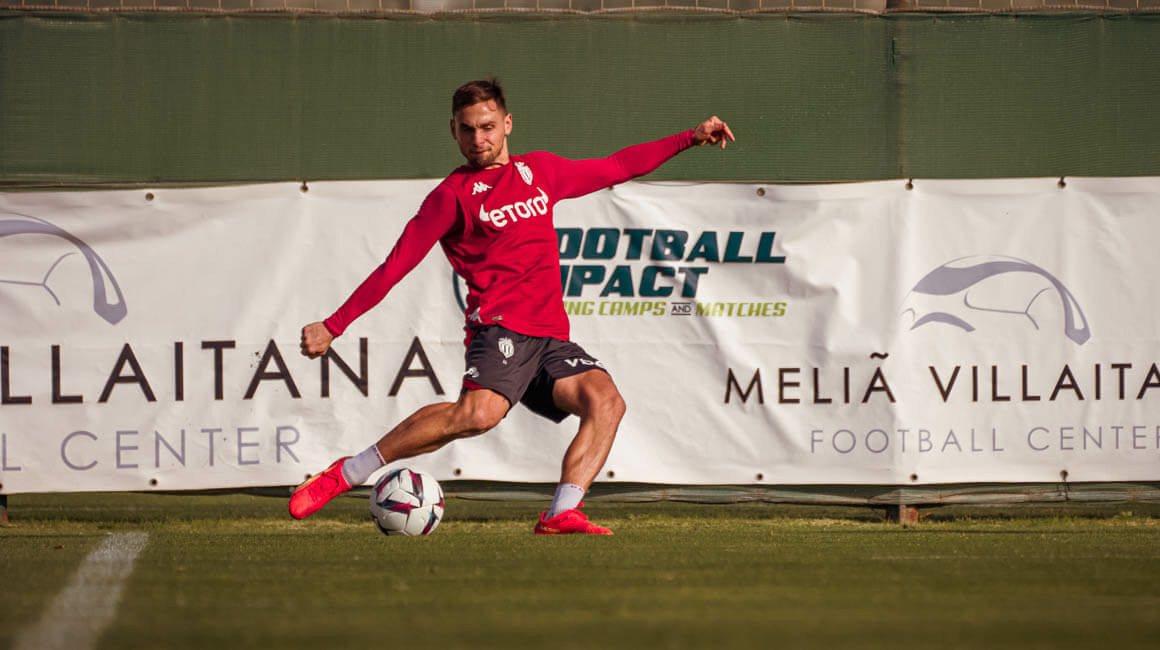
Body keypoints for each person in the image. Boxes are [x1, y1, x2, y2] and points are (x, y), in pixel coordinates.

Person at [291, 78, 734, 534]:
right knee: (477, 416)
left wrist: (689, 137)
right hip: (499, 329)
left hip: (550, 337)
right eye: (467, 129)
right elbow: (395, 266)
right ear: (453, 131)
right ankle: (350, 471)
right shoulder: (450, 197)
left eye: (486, 127)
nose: (477, 139)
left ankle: (560, 512)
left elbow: (617, 166)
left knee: (607, 402)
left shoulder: (539, 171)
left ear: (507, 124)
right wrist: (334, 325)